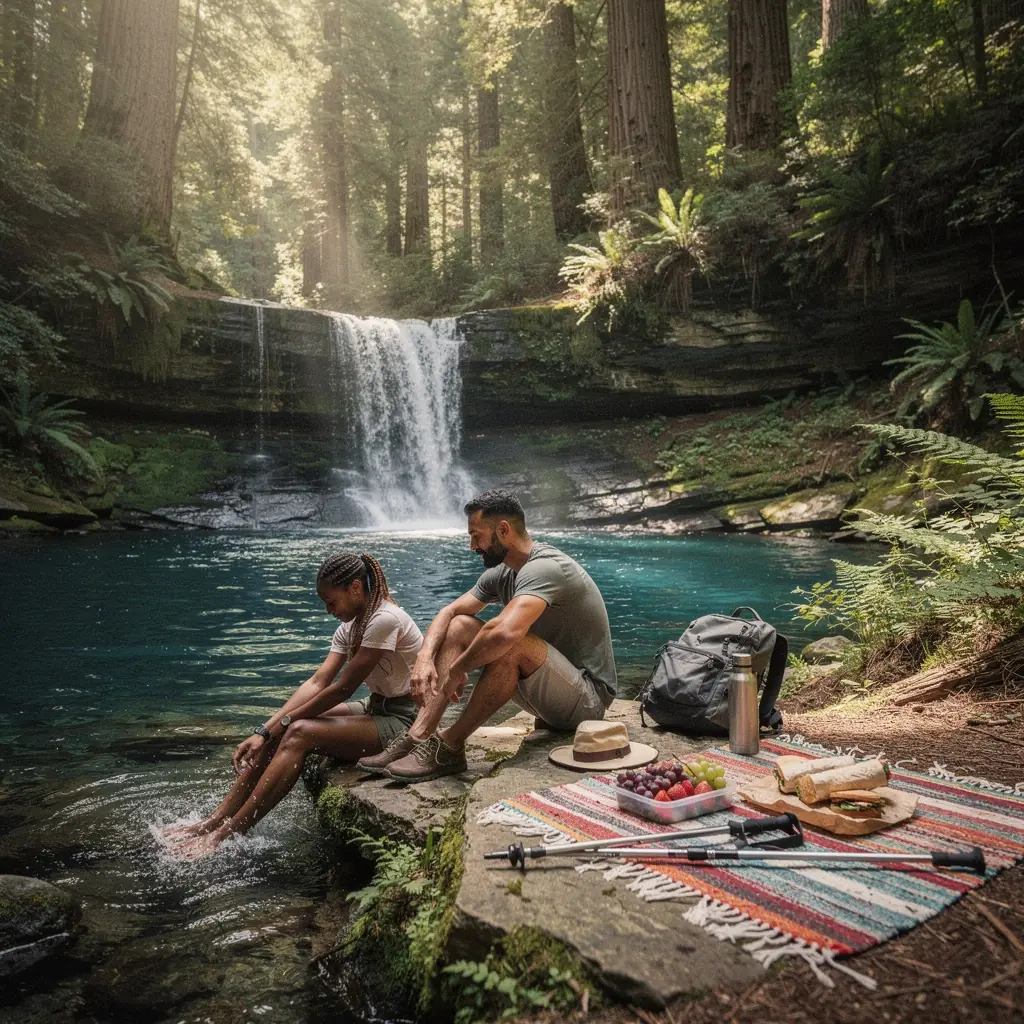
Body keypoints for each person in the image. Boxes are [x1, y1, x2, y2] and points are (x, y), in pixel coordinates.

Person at [166, 551, 422, 857]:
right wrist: (264, 731)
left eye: (332, 602)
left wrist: (282, 725)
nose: (329, 611)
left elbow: (342, 689)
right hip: (375, 706)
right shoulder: (352, 625)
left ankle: (227, 834)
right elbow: (317, 683)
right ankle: (214, 820)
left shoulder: (385, 620)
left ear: (355, 588)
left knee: (299, 731)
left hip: (407, 720)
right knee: (284, 729)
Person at [356, 489, 617, 783]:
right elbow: (450, 612)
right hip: (547, 695)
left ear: (503, 530)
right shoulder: (503, 573)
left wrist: (459, 668)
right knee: (460, 626)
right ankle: (419, 734)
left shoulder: (546, 568)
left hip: (587, 703)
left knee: (511, 642)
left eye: (476, 535)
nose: (472, 546)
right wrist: (424, 659)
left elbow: (505, 632)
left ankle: (450, 746)